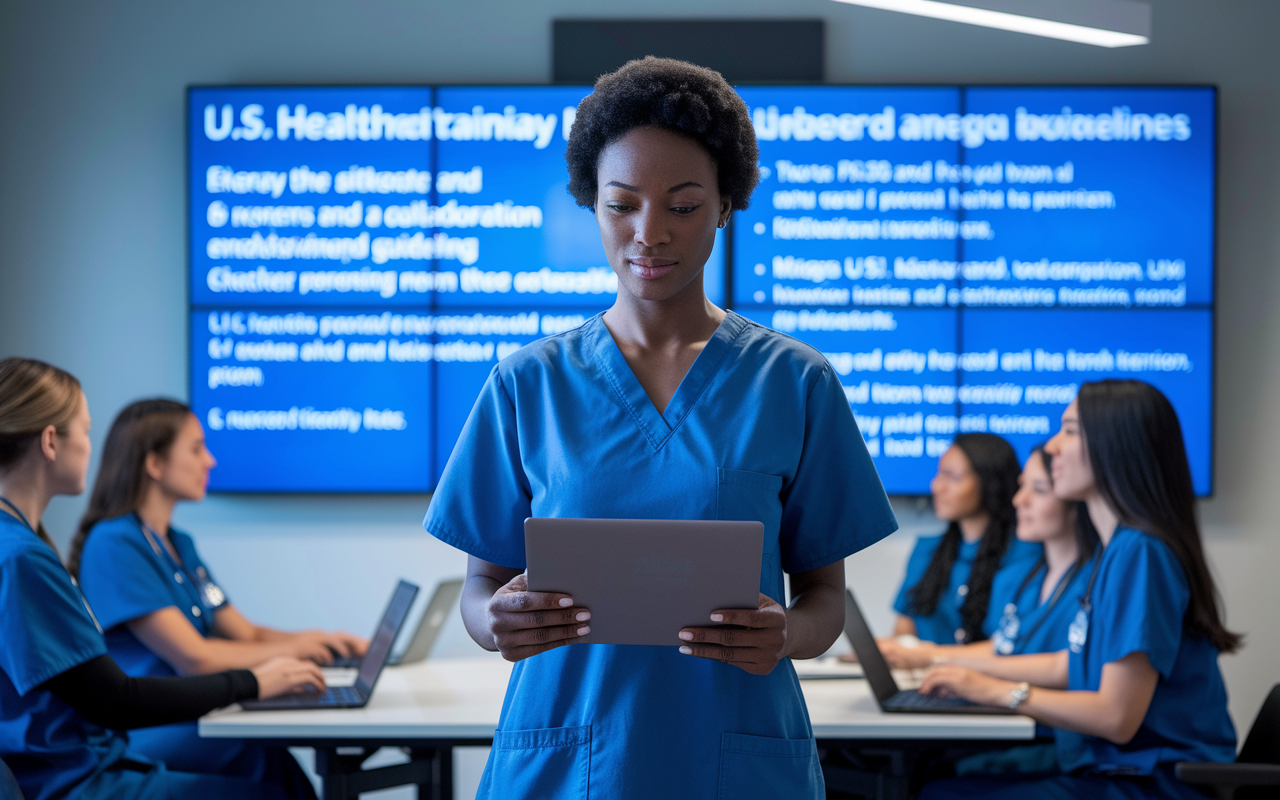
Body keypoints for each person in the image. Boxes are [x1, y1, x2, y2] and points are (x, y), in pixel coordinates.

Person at [423, 57, 898, 799]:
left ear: (725, 205)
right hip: (566, 759)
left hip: (733, 762)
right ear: (592, 204)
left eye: (682, 205)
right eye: (622, 205)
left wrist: (787, 636)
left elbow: (824, 602)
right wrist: (497, 623)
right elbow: (480, 588)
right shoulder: (528, 383)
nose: (650, 234)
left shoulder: (794, 382)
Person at [0, 357, 326, 800]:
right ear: (52, 441)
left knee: (275, 769)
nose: (209, 459)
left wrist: (311, 646)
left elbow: (236, 631)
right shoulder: (25, 556)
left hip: (81, 756)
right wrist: (254, 680)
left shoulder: (23, 543)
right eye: (85, 430)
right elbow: (116, 699)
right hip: (73, 773)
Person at [915, 379, 1239, 799]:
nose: (1051, 447)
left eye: (1069, 430)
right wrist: (961, 672)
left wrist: (997, 691)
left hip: (1153, 784)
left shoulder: (1140, 551)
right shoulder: (1117, 549)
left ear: (1113, 446)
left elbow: (1116, 715)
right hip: (1122, 773)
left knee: (940, 795)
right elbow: (1069, 665)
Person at [69, 398, 366, 787]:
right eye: (196, 449)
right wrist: (294, 653)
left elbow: (246, 634)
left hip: (201, 714)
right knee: (267, 766)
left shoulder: (178, 543)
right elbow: (196, 658)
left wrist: (321, 641)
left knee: (276, 764)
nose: (209, 461)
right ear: (154, 463)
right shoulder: (115, 545)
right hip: (150, 729)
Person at [879, 444, 1101, 775]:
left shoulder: (1095, 578)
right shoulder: (1026, 579)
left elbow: (1067, 667)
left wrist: (941, 661)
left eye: (1038, 490)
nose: (1019, 500)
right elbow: (1003, 647)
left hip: (1063, 746)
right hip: (1043, 732)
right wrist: (937, 661)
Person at [890, 433, 1041, 646]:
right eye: (939, 475)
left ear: (990, 481)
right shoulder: (927, 550)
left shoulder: (1024, 555)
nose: (937, 487)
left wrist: (924, 658)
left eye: (952, 477)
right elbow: (904, 628)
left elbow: (1007, 646)